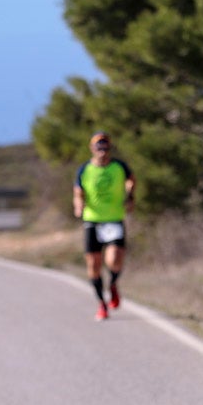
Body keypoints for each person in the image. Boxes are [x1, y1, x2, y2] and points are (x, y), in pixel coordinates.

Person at [73, 132, 136, 321]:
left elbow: (131, 179)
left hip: (113, 219)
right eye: (99, 147)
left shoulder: (119, 167)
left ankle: (114, 284)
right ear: (92, 149)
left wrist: (130, 194)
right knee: (93, 264)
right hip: (92, 219)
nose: (102, 151)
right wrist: (78, 204)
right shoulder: (85, 169)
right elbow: (78, 191)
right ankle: (102, 304)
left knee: (115, 259)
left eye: (105, 147)